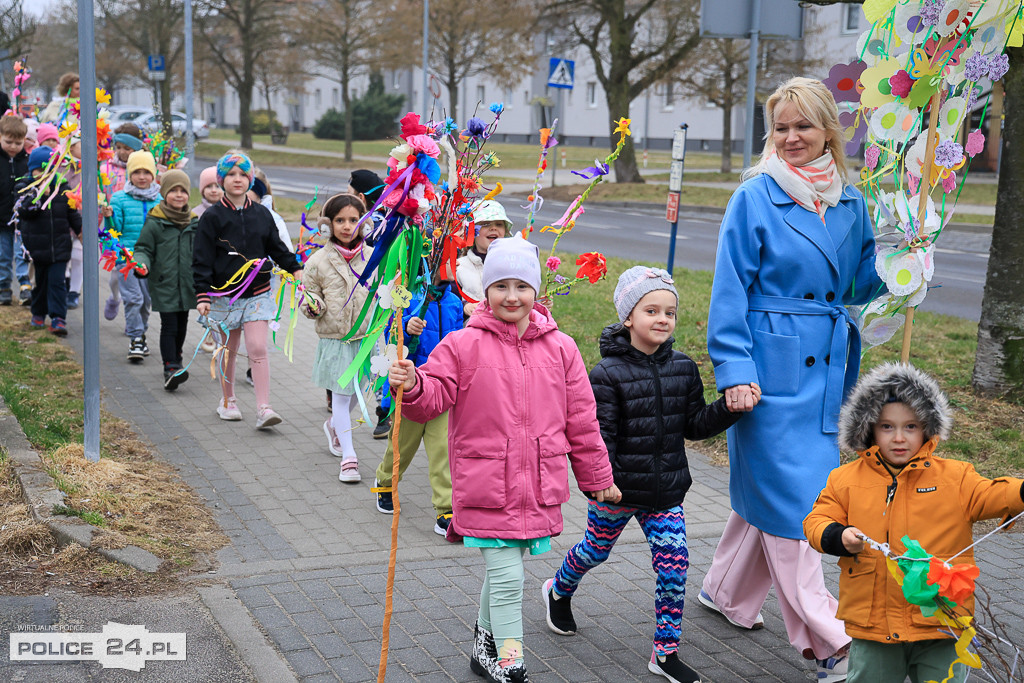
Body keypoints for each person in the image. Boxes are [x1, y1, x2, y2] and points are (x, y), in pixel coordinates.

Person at [698, 77, 887, 683]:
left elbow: (857, 284)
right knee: (800, 506)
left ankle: (725, 590)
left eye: (803, 125)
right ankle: (831, 644)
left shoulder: (852, 202)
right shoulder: (755, 196)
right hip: (769, 374)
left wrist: (903, 262)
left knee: (776, 493)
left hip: (829, 370)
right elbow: (729, 290)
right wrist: (733, 370)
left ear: (829, 129)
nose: (790, 137)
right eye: (780, 127)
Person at [388, 236, 621, 683]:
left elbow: (582, 419)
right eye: (500, 286)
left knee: (504, 571)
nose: (511, 296)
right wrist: (413, 384)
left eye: (521, 286)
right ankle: (511, 661)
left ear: (536, 290)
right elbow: (432, 396)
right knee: (509, 577)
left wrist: (597, 477)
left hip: (537, 483)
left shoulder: (562, 348)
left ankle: (483, 647)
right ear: (486, 289)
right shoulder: (462, 345)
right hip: (486, 482)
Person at [543, 265, 755, 683]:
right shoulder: (607, 374)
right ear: (628, 317)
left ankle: (665, 652)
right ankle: (558, 589)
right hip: (617, 490)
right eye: (651, 310)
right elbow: (598, 437)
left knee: (674, 570)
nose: (662, 319)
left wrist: (729, 408)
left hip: (665, 493)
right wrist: (600, 484)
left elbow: (694, 425)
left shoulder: (684, 368)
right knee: (594, 551)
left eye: (669, 312)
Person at [804, 362, 1024, 683]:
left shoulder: (956, 477)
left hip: (940, 621)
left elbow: (994, 494)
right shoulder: (845, 480)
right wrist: (837, 535)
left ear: (927, 428)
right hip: (874, 624)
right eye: (887, 427)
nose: (899, 438)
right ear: (869, 428)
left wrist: (1020, 492)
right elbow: (817, 519)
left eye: (910, 426)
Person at [193, 150, 302, 429]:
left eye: (243, 174)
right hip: (224, 296)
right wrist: (202, 294)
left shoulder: (262, 214)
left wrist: (295, 268)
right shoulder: (212, 217)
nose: (237, 179)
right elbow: (201, 258)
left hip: (258, 293)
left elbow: (277, 248)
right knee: (228, 349)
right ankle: (228, 400)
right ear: (221, 180)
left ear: (250, 179)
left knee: (257, 347)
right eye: (231, 174)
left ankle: (264, 408)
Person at [372, 259, 463, 534]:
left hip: (442, 388)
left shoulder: (454, 302)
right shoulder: (409, 295)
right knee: (402, 445)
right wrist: (405, 326)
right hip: (411, 389)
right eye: (448, 260)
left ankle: (445, 509)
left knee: (443, 450)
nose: (454, 265)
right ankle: (385, 482)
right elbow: (390, 332)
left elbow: (461, 340)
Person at [300, 193, 374, 481]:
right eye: (340, 220)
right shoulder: (317, 262)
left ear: (364, 223)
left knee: (358, 392)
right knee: (341, 397)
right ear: (327, 225)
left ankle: (333, 426)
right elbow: (311, 297)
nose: (347, 226)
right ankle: (349, 458)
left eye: (354, 220)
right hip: (336, 339)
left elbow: (383, 290)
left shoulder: (374, 257)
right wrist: (312, 305)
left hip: (366, 338)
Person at [131, 169, 198, 391]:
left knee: (182, 323)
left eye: (183, 191)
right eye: (173, 191)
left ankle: (176, 358)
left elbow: (202, 251)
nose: (179, 195)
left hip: (187, 283)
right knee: (169, 324)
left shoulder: (193, 222)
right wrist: (142, 264)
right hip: (164, 282)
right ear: (164, 193)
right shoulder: (155, 222)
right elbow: (143, 249)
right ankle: (170, 366)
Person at [16, 146, 82, 335]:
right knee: (41, 283)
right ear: (32, 170)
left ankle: (58, 318)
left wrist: (80, 231)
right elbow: (23, 211)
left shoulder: (62, 188)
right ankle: (38, 313)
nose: (44, 175)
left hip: (60, 246)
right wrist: (39, 195)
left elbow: (72, 213)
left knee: (57, 282)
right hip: (37, 247)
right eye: (39, 170)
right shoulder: (24, 187)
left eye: (48, 170)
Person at [106, 150, 159, 361]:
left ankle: (141, 334)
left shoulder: (160, 199)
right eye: (137, 172)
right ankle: (135, 338)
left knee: (146, 301)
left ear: (153, 174)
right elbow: (114, 230)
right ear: (130, 174)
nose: (142, 177)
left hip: (150, 261)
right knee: (133, 298)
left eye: (146, 172)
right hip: (126, 258)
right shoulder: (119, 198)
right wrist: (109, 217)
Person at [456, 199, 512, 317]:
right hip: (472, 326)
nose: (493, 228)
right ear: (472, 231)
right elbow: (450, 301)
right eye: (486, 224)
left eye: (499, 224)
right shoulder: (460, 267)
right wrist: (464, 306)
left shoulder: (512, 264)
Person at [0, 114, 30, 306]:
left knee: (22, 253)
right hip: (2, 219)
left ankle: (25, 284)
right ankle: (4, 286)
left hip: (22, 218)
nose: (13, 147)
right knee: (3, 254)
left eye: (18, 143)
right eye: (8, 142)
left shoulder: (27, 162)